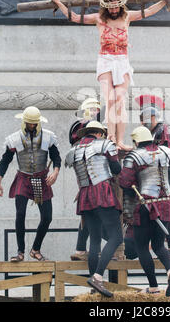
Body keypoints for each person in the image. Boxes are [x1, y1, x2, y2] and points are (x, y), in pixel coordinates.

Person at [48, 0, 167, 150]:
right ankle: (111, 138)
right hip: (105, 60)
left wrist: (166, 0)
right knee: (110, 99)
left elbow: (148, 11)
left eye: (116, 7)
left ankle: (120, 140)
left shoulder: (127, 17)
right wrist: (58, 2)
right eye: (110, 8)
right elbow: (74, 17)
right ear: (105, 8)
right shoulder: (98, 18)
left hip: (122, 61)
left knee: (119, 100)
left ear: (120, 7)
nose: (113, 11)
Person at [0, 106, 61, 262]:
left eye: (34, 123)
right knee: (20, 214)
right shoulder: (15, 138)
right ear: (24, 122)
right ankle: (20, 252)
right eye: (29, 123)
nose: (32, 126)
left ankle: (35, 249)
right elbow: (5, 161)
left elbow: (56, 157)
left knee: (47, 217)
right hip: (23, 178)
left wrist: (55, 172)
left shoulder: (48, 137)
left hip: (41, 178)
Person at [65, 121, 122, 297]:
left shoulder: (73, 151)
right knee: (116, 237)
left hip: (85, 195)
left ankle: (93, 285)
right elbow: (116, 169)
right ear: (98, 133)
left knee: (95, 240)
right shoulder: (105, 145)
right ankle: (97, 277)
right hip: (102, 192)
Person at [119, 126, 170, 297]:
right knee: (159, 244)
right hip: (166, 203)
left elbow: (124, 182)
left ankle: (153, 286)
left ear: (136, 141)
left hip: (146, 203)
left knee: (142, 246)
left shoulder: (135, 156)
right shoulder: (167, 152)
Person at [136, 94, 170, 259]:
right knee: (168, 209)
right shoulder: (156, 131)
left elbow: (163, 153)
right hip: (164, 170)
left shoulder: (164, 129)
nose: (142, 122)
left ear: (153, 117)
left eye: (144, 119)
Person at [69, 97, 101, 261]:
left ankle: (82, 248)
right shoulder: (80, 128)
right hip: (92, 176)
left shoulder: (98, 126)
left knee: (90, 213)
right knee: (93, 213)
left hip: (95, 174)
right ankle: (107, 248)